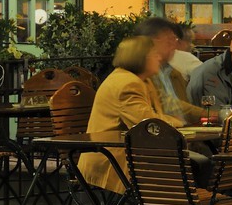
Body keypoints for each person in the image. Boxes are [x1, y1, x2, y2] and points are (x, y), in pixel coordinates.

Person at [83, 36, 201, 196]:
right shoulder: (127, 84)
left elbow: (159, 116)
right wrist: (175, 122)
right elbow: (150, 126)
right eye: (154, 54)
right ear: (140, 58)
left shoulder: (141, 80)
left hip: (133, 152)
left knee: (199, 162)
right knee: (196, 164)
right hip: (113, 158)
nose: (159, 57)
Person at [135, 16, 195, 126]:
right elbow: (147, 121)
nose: (174, 45)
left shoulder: (174, 73)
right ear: (152, 42)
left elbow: (183, 108)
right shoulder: (138, 78)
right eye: (170, 40)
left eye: (176, 40)